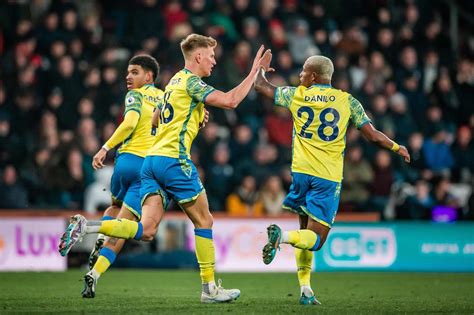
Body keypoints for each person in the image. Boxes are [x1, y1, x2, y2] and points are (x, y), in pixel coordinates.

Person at [59, 34, 269, 303]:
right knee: (204, 221)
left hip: (151, 162)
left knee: (146, 230)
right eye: (211, 56)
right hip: (173, 161)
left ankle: (87, 227)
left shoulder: (174, 81)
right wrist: (254, 71)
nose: (215, 61)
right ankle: (209, 290)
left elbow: (157, 118)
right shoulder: (192, 82)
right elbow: (230, 100)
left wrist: (195, 114)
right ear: (197, 57)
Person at [254, 54, 410, 305]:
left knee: (305, 232)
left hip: (301, 174)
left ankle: (305, 290)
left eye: (304, 71)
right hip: (326, 178)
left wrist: (260, 70)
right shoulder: (347, 100)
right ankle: (281, 237)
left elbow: (260, 86)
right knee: (316, 240)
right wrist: (396, 147)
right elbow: (372, 135)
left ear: (314, 76)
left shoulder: (296, 94)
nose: (301, 75)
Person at [81, 54, 164, 298]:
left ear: (148, 76)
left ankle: (99, 239)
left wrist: (105, 148)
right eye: (128, 72)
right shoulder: (165, 97)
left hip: (124, 162)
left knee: (114, 205)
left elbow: (129, 123)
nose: (128, 76)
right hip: (146, 167)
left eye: (135, 72)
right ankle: (94, 274)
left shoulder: (135, 95)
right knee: (123, 229)